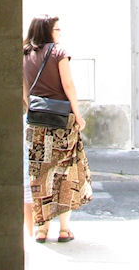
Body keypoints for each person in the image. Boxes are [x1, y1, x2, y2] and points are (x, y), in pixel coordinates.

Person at [23, 15, 92, 243]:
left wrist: (32, 109)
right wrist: (78, 115)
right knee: (65, 173)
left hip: (36, 124)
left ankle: (42, 229)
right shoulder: (59, 52)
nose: (59, 33)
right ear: (47, 31)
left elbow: (24, 91)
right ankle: (63, 229)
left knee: (39, 174)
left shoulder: (24, 54)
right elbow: (68, 85)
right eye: (57, 29)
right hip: (62, 122)